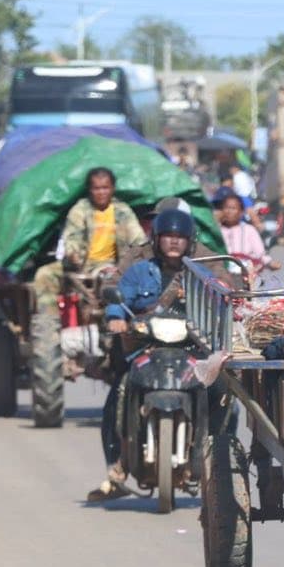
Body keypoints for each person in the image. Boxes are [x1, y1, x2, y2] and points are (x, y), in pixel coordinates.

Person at [88, 209, 198, 502]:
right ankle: (117, 469)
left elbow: (220, 298)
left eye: (180, 237)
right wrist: (116, 317)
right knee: (120, 393)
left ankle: (217, 459)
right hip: (145, 345)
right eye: (168, 236)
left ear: (189, 241)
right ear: (157, 239)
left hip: (189, 348)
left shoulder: (199, 274)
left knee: (223, 393)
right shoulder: (139, 270)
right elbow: (118, 297)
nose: (174, 242)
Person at [34, 167, 147, 316]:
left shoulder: (123, 211)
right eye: (96, 188)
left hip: (111, 266)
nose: (101, 193)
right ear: (90, 190)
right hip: (80, 265)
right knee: (44, 275)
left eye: (105, 188)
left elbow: (138, 239)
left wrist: (134, 260)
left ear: (112, 188)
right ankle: (49, 330)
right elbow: (72, 237)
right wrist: (72, 254)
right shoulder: (80, 210)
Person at [213, 189, 273, 273]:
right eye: (226, 208)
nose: (229, 212)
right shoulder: (216, 230)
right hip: (220, 274)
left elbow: (261, 254)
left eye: (233, 208)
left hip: (244, 274)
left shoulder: (249, 230)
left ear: (241, 212)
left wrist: (270, 263)